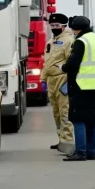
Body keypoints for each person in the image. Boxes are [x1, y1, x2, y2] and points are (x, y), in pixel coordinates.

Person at [60, 16, 95, 161]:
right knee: (93, 119)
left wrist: (63, 67)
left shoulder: (81, 41)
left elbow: (73, 63)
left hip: (81, 85)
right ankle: (92, 151)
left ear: (77, 29)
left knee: (78, 119)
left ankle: (80, 151)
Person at [40, 13, 75, 154]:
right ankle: (61, 139)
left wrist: (68, 81)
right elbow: (47, 62)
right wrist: (43, 79)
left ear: (64, 26)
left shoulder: (68, 41)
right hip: (51, 80)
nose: (54, 28)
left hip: (62, 79)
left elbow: (70, 62)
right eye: (52, 26)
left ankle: (67, 141)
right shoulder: (51, 41)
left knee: (64, 111)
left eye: (57, 26)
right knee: (56, 112)